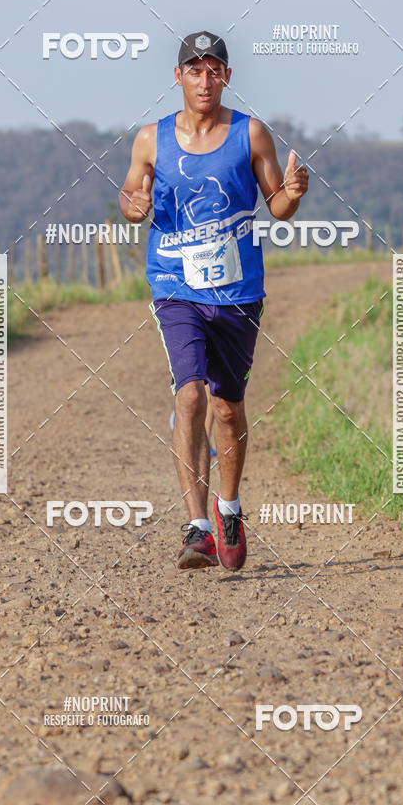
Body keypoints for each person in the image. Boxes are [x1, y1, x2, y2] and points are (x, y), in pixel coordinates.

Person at [119, 30, 308, 571]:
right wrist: (132, 205)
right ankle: (197, 528)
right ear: (177, 77)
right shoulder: (150, 139)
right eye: (194, 70)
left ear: (226, 76)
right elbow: (131, 193)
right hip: (175, 287)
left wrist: (293, 193)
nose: (204, 80)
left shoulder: (251, 133)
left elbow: (277, 205)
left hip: (238, 291)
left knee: (227, 406)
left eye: (214, 70)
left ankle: (229, 508)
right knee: (191, 396)